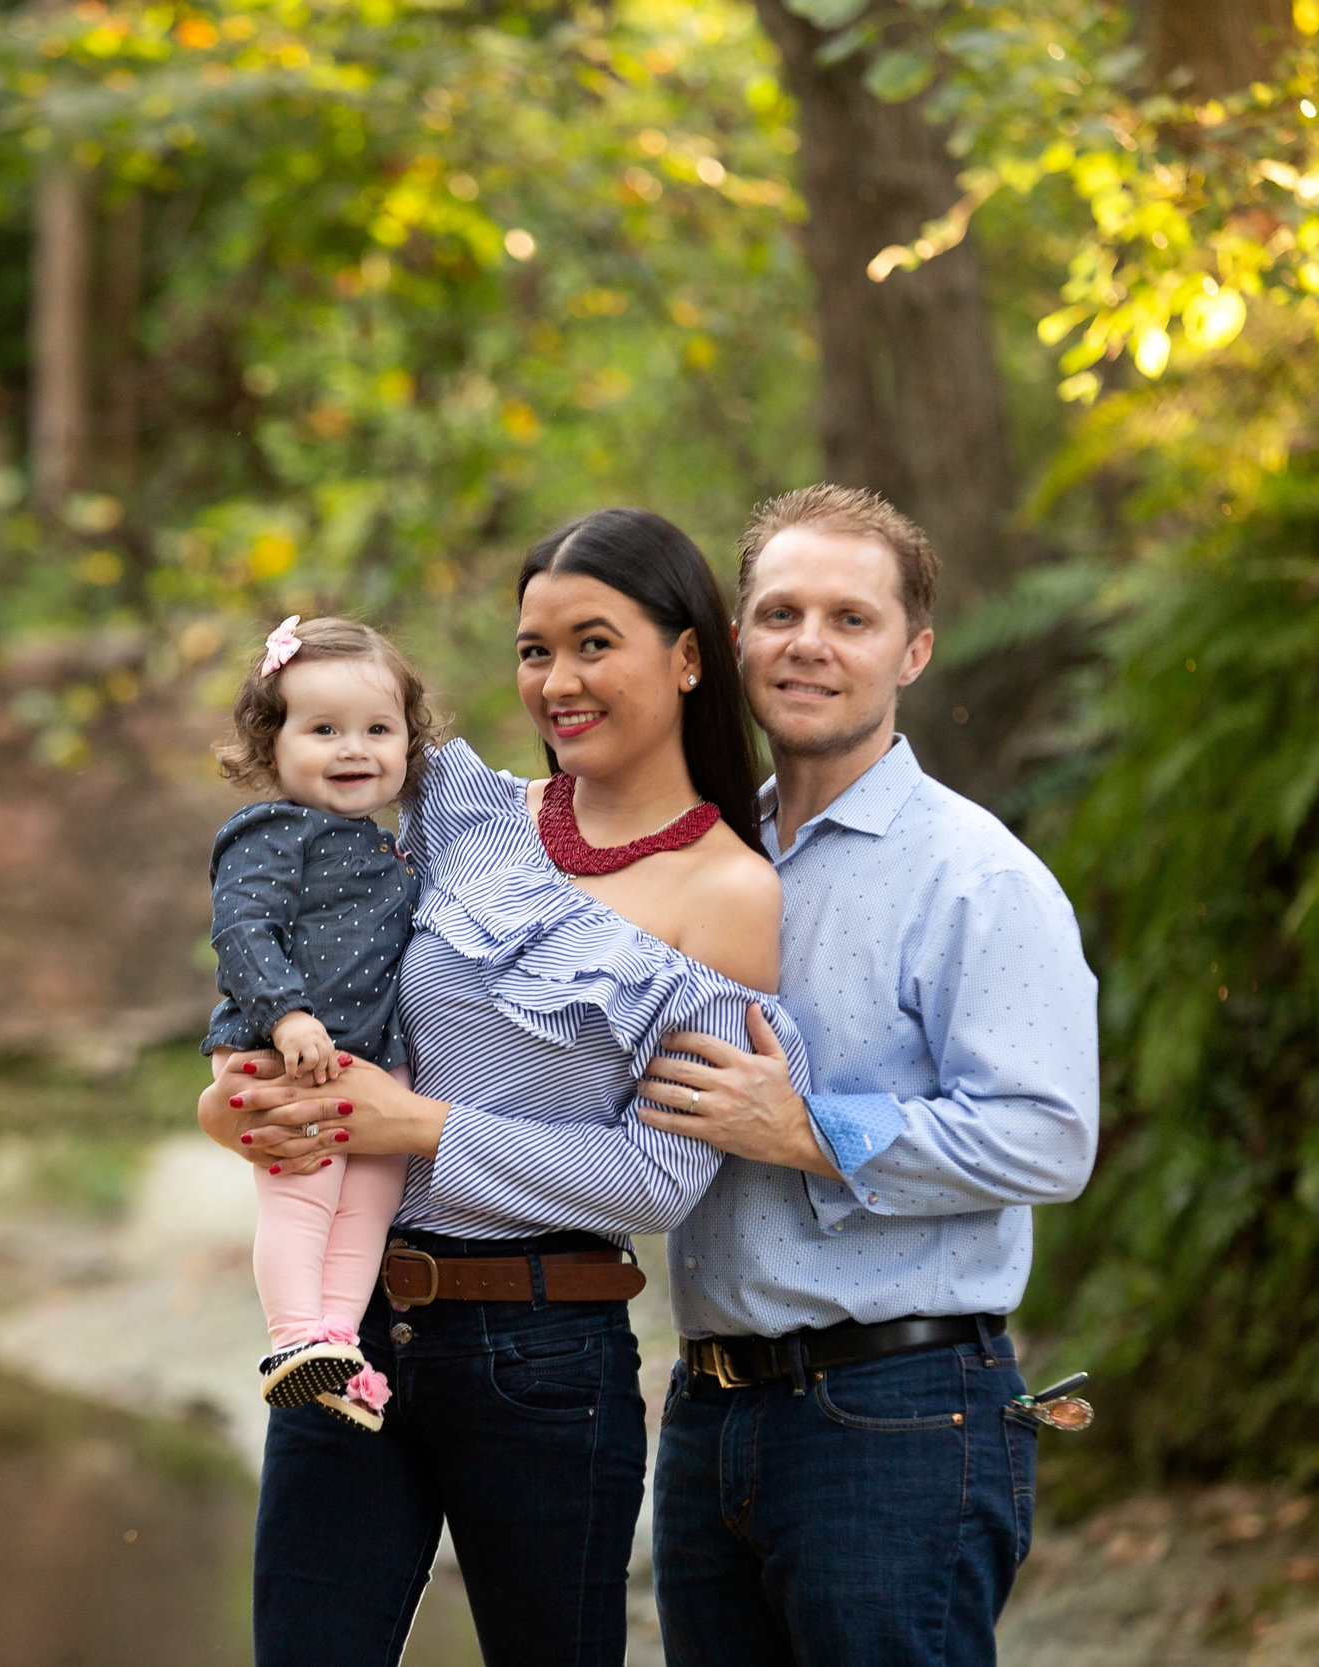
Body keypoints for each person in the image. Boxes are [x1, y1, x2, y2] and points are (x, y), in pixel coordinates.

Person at [197, 508, 805, 1667]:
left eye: (592, 643)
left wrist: (419, 1125)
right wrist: (230, 1107)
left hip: (538, 1354)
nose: (556, 680)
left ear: (687, 657)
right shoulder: (459, 813)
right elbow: (316, 991)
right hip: (351, 1323)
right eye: (534, 649)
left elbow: (658, 1175)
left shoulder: (728, 891)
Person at [632, 484, 1101, 1667]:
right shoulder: (704, 853)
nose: (808, 643)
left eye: (851, 618)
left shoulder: (975, 875)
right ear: (732, 640)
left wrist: (811, 1129)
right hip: (707, 1414)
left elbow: (1050, 1136)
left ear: (913, 652)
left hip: (895, 1415)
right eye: (780, 611)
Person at [201, 615, 434, 1430]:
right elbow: (241, 931)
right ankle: (291, 1335)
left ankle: (336, 1345)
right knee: (304, 1194)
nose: (354, 749)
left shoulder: (390, 848)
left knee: (371, 1198)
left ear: (410, 741)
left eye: (379, 729)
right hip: (285, 1051)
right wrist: (287, 1013)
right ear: (273, 748)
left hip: (371, 1062)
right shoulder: (272, 832)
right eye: (324, 729)